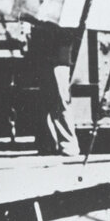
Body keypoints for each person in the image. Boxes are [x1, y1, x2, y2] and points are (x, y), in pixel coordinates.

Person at [26, 20, 80, 157]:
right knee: (49, 102)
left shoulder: (63, 17)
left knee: (60, 101)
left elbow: (67, 35)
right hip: (48, 60)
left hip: (57, 60)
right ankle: (51, 144)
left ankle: (69, 145)